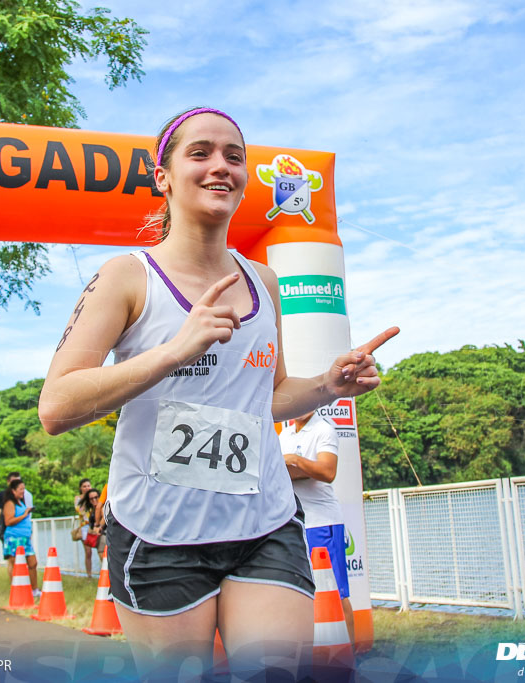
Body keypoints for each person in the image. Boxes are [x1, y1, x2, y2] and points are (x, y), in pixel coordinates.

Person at [38, 106, 397, 678]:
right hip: (160, 533)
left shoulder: (265, 281)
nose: (220, 167)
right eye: (199, 153)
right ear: (163, 175)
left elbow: (269, 398)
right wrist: (173, 352)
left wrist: (329, 385)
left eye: (234, 156)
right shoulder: (127, 277)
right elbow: (57, 406)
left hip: (265, 524)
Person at [281, 410, 355, 645]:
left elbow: (327, 471)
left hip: (323, 522)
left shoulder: (324, 428)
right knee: (303, 591)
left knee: (337, 592)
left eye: (308, 402)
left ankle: (350, 657)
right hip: (296, 523)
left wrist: (295, 459)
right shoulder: (285, 432)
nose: (302, 407)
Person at [0, 478, 40, 597]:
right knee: (16, 565)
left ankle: (34, 589)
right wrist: (24, 515)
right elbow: (8, 521)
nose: (23, 491)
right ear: (13, 491)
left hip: (25, 538)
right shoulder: (9, 503)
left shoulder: (20, 502)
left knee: (33, 563)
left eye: (24, 489)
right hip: (14, 538)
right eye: (20, 489)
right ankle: (17, 591)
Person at [0, 471, 33, 540]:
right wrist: (0, 529)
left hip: (24, 535)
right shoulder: (8, 502)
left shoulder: (24, 497)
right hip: (14, 536)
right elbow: (6, 519)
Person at [76, 488, 104, 576]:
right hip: (97, 535)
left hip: (104, 534)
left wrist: (99, 526)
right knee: (100, 556)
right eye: (91, 499)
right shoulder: (92, 509)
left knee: (102, 556)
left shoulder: (101, 507)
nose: (94, 500)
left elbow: (104, 518)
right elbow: (80, 510)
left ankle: (107, 579)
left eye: (96, 497)